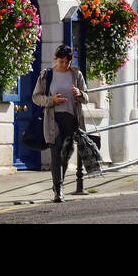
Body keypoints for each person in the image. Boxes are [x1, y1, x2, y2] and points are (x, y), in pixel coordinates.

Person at [32, 45, 90, 203]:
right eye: (62, 61)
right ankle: (59, 190)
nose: (65, 65)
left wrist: (79, 94)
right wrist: (52, 100)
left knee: (67, 153)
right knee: (56, 153)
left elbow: (86, 97)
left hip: (71, 120)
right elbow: (36, 97)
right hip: (53, 120)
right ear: (55, 59)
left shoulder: (76, 74)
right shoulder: (46, 75)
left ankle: (59, 182)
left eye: (68, 62)